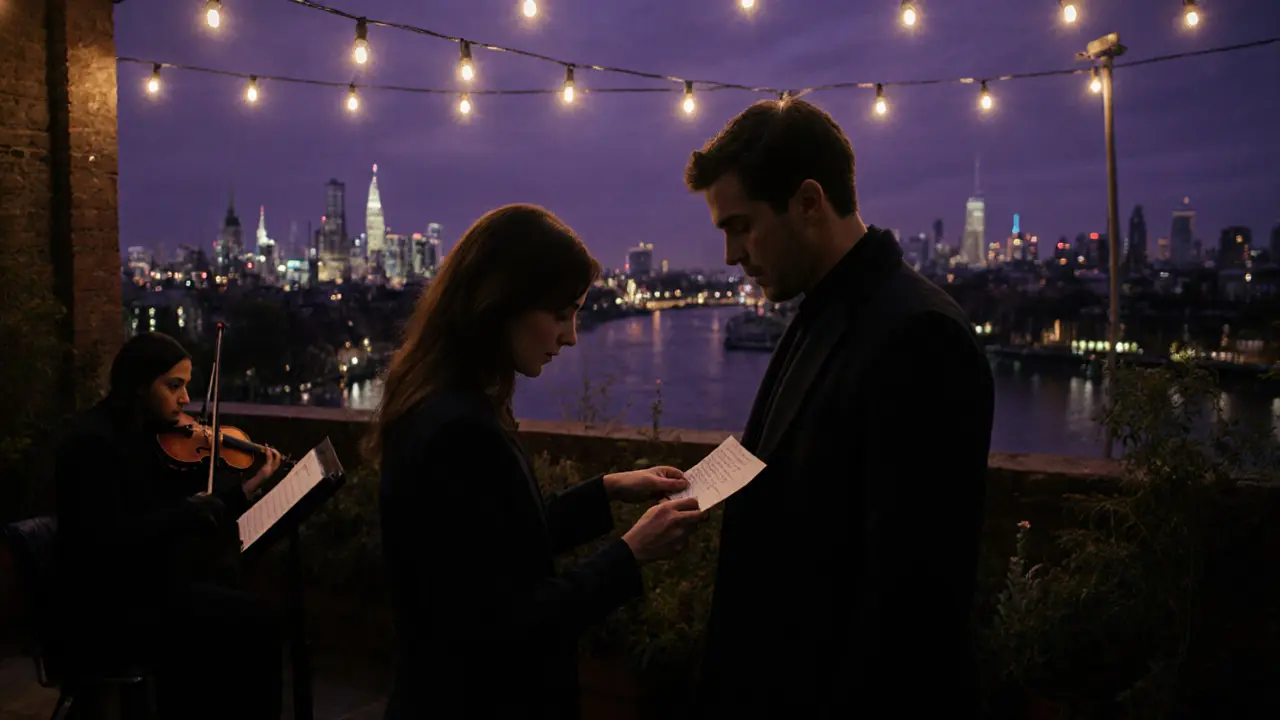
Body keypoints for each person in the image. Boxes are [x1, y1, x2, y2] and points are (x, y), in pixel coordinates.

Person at [684, 98, 995, 716]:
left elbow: (910, 600)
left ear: (807, 202)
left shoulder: (918, 336)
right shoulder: (830, 306)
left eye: (740, 225)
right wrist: (685, 490)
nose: (730, 255)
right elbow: (780, 452)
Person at [368, 203, 706, 719]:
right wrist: (630, 553)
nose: (570, 335)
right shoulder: (458, 430)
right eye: (561, 313)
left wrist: (607, 490)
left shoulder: (444, 404)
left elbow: (498, 547)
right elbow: (505, 623)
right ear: (503, 301)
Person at [54, 331, 285, 719]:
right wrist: (185, 513)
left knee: (234, 600)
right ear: (139, 385)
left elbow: (189, 510)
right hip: (110, 610)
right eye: (173, 386)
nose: (185, 400)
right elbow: (107, 540)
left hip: (146, 591)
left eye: (186, 387)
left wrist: (247, 489)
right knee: (258, 621)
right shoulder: (93, 444)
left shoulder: (141, 434)